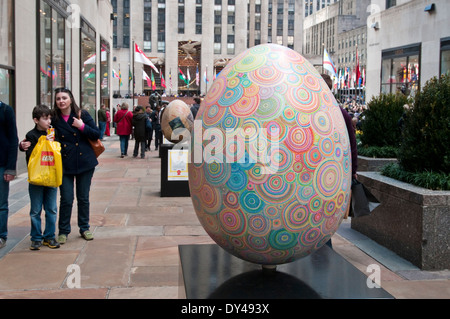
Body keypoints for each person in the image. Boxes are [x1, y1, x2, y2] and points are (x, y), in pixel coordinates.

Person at [51, 88, 100, 244]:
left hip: (84, 162)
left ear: (70, 99)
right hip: (64, 164)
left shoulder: (82, 114)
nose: (61, 101)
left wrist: (82, 126)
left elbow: (96, 134)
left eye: (64, 98)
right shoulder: (53, 118)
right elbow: (41, 132)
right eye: (58, 98)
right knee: (66, 198)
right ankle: (64, 231)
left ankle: (84, 228)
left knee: (83, 198)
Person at [19, 105, 60, 250]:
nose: (48, 121)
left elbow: (57, 151)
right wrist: (44, 142)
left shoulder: (54, 132)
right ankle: (36, 237)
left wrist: (52, 141)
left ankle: (49, 236)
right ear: (36, 120)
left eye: (49, 118)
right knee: (35, 210)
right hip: (36, 177)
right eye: (45, 118)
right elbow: (32, 156)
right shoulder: (31, 135)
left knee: (51, 208)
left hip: (51, 176)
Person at [0, 101, 18, 249]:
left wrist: (10, 168)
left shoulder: (6, 110)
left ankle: (1, 235)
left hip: (2, 165)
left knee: (1, 203)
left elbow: (13, 140)